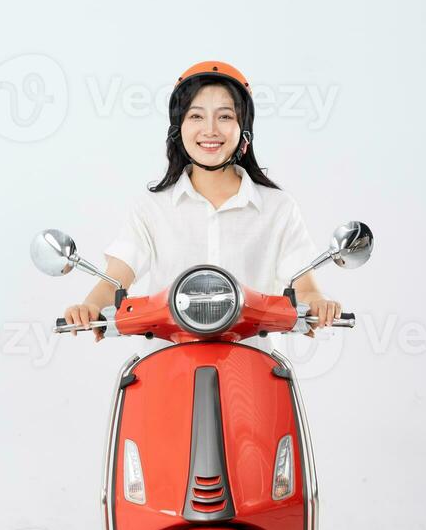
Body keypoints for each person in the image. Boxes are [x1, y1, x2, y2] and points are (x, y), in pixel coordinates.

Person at [63, 60, 341, 346]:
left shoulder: (277, 207)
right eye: (196, 117)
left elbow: (304, 288)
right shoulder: (151, 207)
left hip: (253, 371)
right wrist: (90, 306)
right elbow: (114, 281)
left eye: (224, 117)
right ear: (178, 127)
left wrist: (319, 303)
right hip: (166, 368)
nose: (210, 130)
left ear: (244, 128)